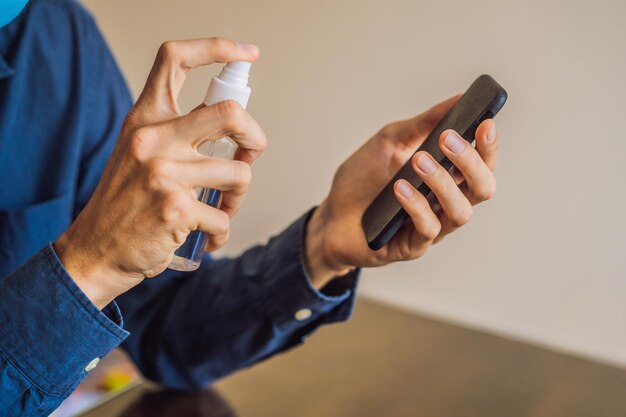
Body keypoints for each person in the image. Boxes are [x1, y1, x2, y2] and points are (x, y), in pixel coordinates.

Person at [0, 0, 500, 415]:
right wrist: (90, 268)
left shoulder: (55, 38)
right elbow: (97, 272)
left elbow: (159, 324)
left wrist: (323, 246)